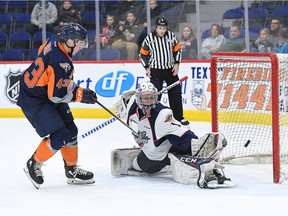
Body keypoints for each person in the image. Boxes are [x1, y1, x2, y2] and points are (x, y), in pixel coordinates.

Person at [17, 23, 97, 189]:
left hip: (42, 90)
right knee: (61, 136)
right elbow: (56, 96)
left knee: (71, 131)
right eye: (79, 44)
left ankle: (71, 170)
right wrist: (80, 95)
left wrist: (70, 86)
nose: (80, 47)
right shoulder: (61, 63)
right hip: (34, 99)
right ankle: (33, 164)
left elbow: (43, 57)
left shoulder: (54, 40)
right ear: (69, 41)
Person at [111, 82, 233, 188]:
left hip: (158, 155)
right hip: (150, 153)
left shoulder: (162, 114)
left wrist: (194, 143)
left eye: (151, 98)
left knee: (181, 141)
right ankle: (171, 163)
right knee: (137, 165)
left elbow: (180, 131)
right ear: (138, 99)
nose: (148, 102)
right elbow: (127, 96)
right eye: (145, 98)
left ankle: (196, 153)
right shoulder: (131, 105)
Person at [139, 17, 189, 125]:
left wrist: (177, 64)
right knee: (155, 95)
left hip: (170, 69)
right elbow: (142, 54)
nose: (162, 30)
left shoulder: (171, 36)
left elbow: (177, 50)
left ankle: (178, 117)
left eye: (164, 28)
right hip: (155, 70)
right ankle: (153, 116)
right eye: (160, 28)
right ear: (156, 28)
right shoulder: (149, 38)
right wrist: (147, 67)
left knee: (175, 93)